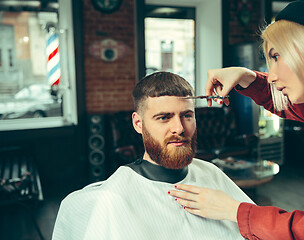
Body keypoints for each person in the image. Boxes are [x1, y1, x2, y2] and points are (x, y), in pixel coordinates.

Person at [169, 0, 304, 239]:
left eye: (277, 56)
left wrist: (235, 211)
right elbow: (281, 103)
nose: (272, 76)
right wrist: (246, 76)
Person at [52, 71, 253, 240]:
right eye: (164, 118)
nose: (179, 128)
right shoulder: (115, 198)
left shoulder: (210, 172)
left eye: (187, 115)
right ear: (138, 124)